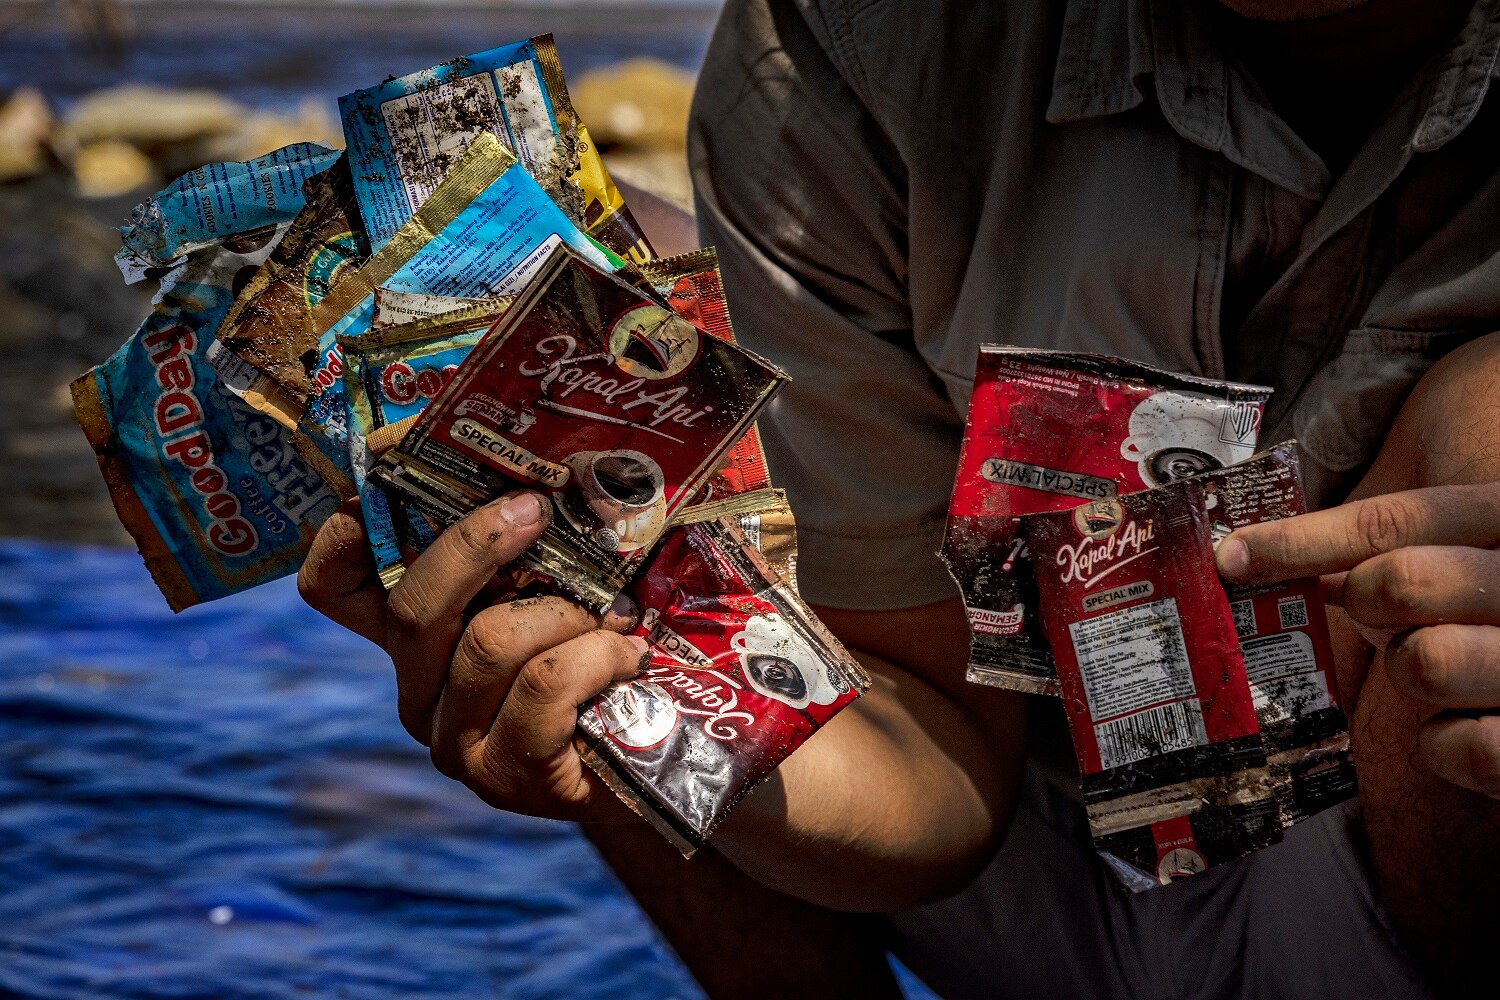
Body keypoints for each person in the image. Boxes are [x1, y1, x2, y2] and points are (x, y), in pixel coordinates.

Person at [299, 0, 1500, 995]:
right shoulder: (860, 40)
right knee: (551, 321)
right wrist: (630, 700)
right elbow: (931, 775)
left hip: (1404, 873)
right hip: (1002, 839)